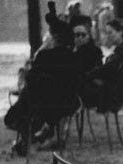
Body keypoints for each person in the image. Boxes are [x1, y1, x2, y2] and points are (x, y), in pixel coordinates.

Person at [4, 1, 80, 155]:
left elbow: (31, 80)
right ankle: (36, 136)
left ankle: (27, 138)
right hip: (65, 105)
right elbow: (76, 83)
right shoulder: (74, 58)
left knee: (22, 109)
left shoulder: (44, 56)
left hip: (40, 106)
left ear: (54, 38)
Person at [81, 18, 123, 112]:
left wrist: (89, 74)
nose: (108, 36)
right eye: (107, 33)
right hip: (112, 87)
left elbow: (109, 68)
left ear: (120, 32)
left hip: (113, 93)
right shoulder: (121, 49)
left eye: (111, 33)